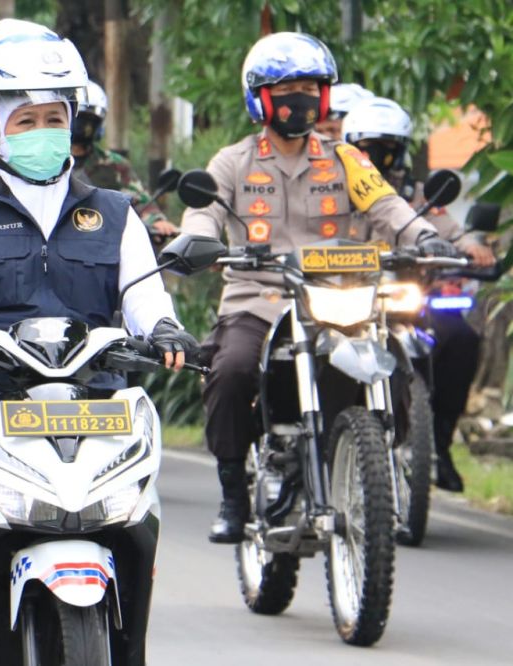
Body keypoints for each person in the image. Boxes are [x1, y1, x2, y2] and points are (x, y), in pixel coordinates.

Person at [179, 32, 454, 543]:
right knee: (232, 370)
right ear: (261, 99)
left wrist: (427, 236)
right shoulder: (233, 161)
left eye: (309, 88)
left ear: (325, 97)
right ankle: (234, 493)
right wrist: (196, 241)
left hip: (335, 298)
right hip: (258, 300)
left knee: (390, 362)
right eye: (286, 90)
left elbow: (387, 206)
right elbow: (204, 211)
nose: (299, 100)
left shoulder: (347, 159)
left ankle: (366, 462)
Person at [0, 19, 194, 467]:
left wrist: (164, 329)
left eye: (55, 118)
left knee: (134, 520)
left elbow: (143, 293)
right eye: (26, 121)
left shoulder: (115, 211)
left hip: (94, 405)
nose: (44, 131)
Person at [343, 96, 497, 492]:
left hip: (407, 302)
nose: (378, 158)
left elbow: (450, 231)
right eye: (368, 149)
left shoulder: (414, 195)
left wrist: (471, 248)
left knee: (461, 337)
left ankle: (438, 444)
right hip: (343, 304)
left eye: (389, 149)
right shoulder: (331, 192)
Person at [71, 79, 178, 239]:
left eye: (90, 121)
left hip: (103, 243)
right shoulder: (46, 163)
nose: (84, 127)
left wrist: (155, 220)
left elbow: (138, 200)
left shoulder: (113, 164)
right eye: (79, 119)